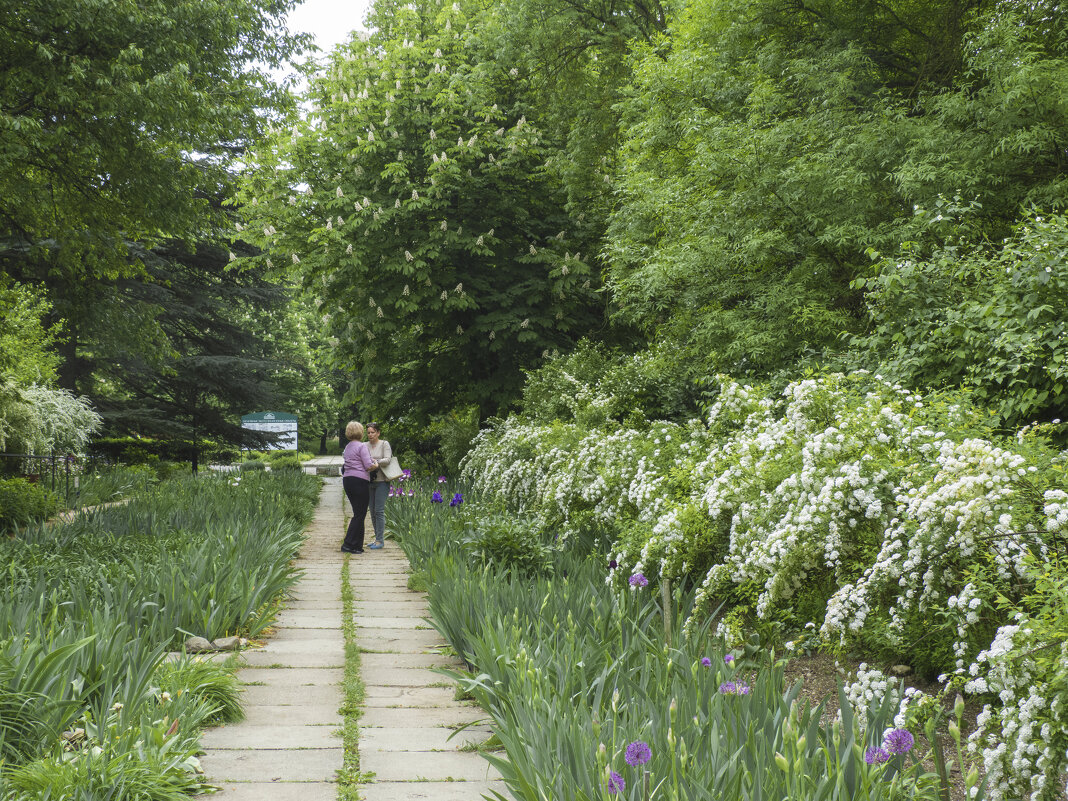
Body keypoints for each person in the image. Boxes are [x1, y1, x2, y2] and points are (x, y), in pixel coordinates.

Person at [341, 421, 378, 554]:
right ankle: (348, 544)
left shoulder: (347, 447)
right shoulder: (362, 446)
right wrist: (376, 464)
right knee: (360, 514)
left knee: (359, 513)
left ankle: (357, 546)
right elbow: (368, 465)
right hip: (359, 481)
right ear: (361, 432)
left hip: (348, 480)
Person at [366, 422, 393, 549]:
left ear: (378, 433)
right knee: (372, 511)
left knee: (379, 510)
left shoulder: (384, 444)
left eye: (373, 432)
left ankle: (380, 540)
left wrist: (375, 462)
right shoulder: (364, 445)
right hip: (369, 481)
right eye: (368, 433)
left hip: (382, 481)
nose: (370, 435)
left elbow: (388, 460)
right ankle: (377, 539)